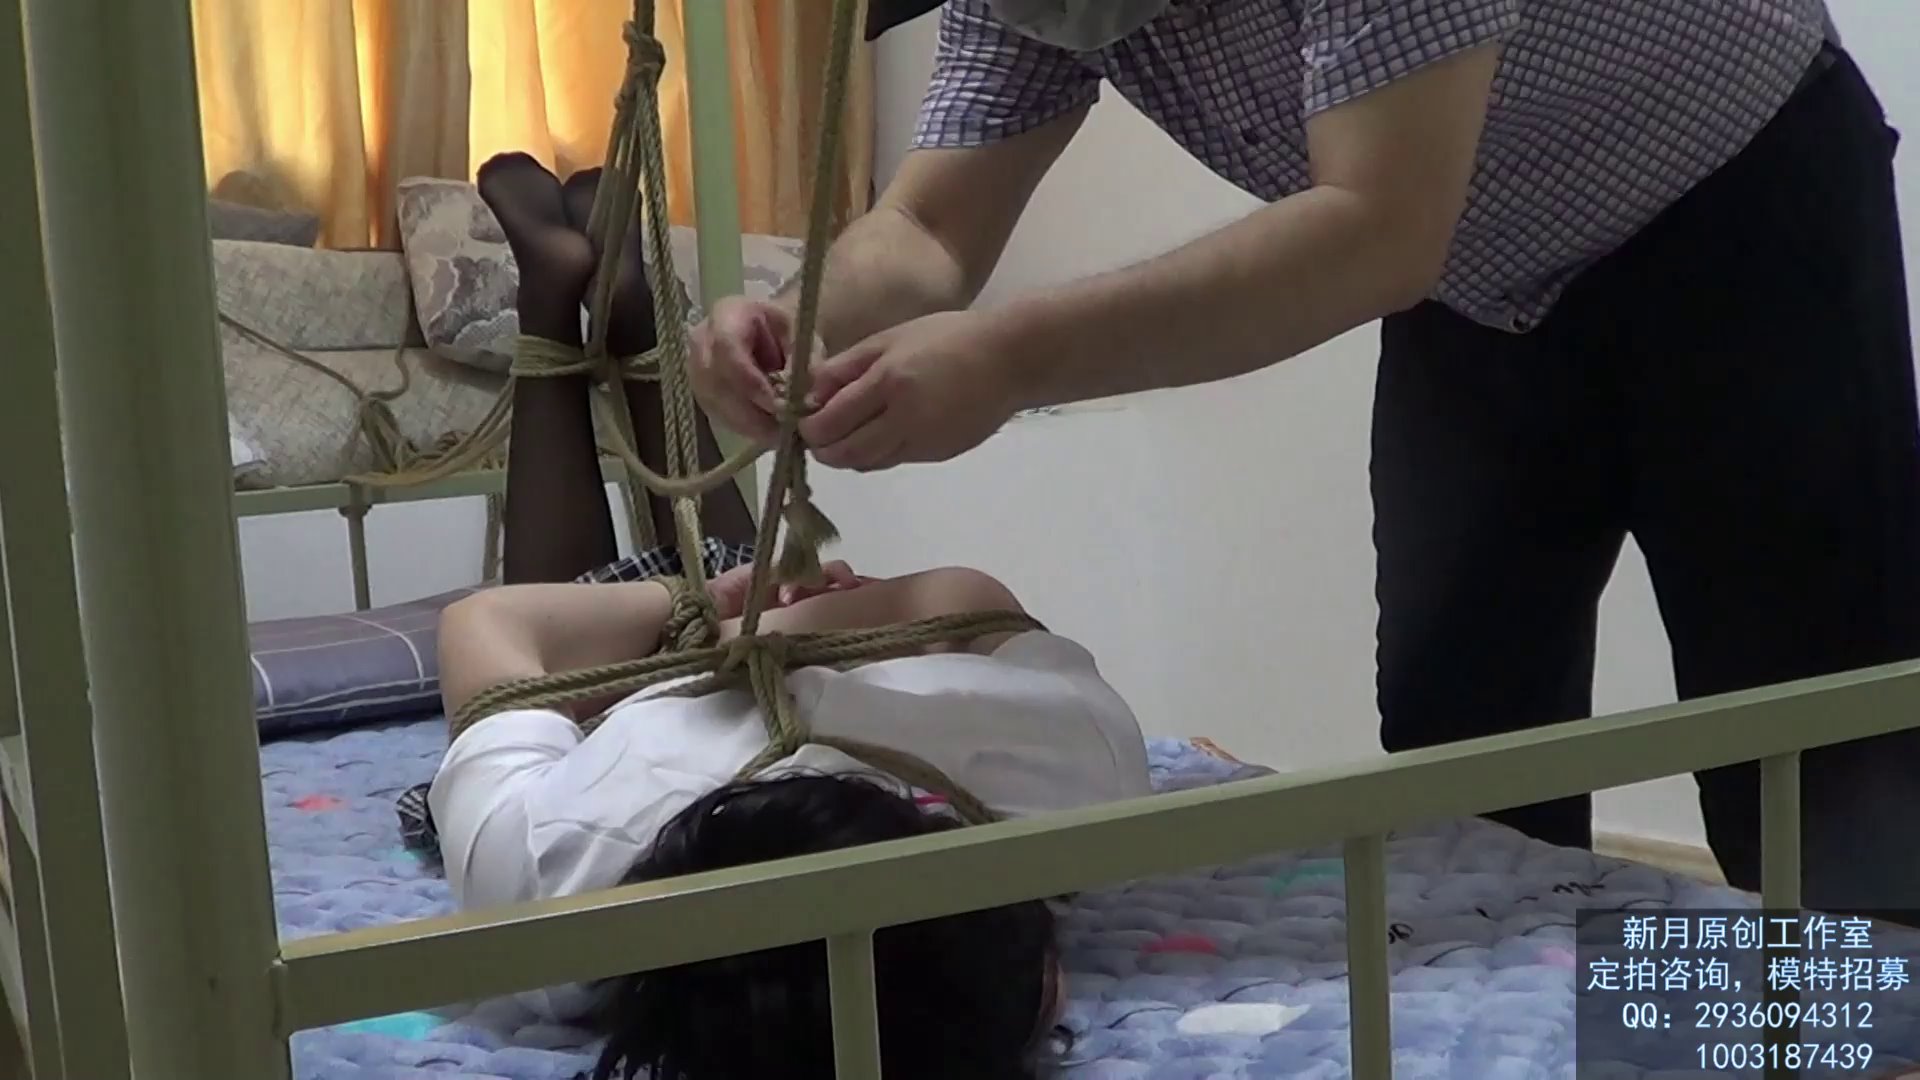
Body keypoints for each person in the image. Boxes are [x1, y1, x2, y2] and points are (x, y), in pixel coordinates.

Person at [689, 0, 1920, 913]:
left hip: (1740, 213)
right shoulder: (1038, 5)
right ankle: (1540, 1029)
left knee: (1812, 751)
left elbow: (1376, 228)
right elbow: (926, 225)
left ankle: (1867, 1030)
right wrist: (800, 321)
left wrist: (1008, 361)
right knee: (1461, 727)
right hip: (1475, 282)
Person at [424, 152, 1153, 1080]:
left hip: (671, 662)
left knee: (649, 580)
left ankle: (607, 310)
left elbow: (959, 598)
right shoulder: (555, 907)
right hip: (668, 682)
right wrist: (748, 622)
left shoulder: (1075, 786)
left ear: (1043, 981)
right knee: (614, 593)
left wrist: (729, 613)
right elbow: (491, 632)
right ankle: (590, 307)